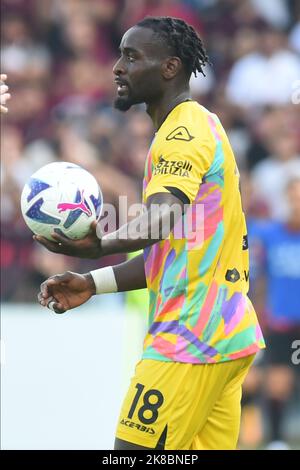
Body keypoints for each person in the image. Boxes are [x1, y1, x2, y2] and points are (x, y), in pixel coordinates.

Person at [36, 17, 265, 450]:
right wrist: (92, 281)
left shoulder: (182, 133)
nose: (118, 67)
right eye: (120, 54)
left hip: (188, 339)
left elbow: (159, 221)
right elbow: (173, 252)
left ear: (169, 68)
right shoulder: (198, 126)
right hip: (223, 336)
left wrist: (98, 245)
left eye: (132, 56)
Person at [249, 177, 300, 449]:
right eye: (294, 198)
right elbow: (261, 280)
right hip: (283, 323)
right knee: (277, 383)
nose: (297, 204)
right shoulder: (270, 236)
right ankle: (277, 440)